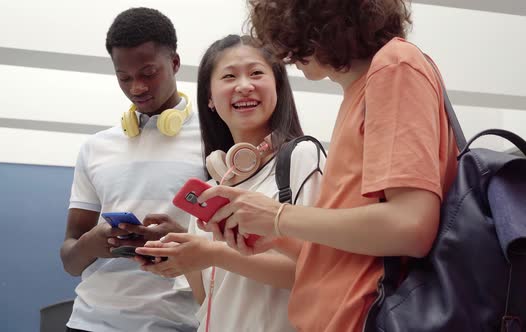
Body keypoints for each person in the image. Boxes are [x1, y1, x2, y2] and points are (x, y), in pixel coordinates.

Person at [197, 1, 460, 331]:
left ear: (309, 21)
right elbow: (356, 244)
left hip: (366, 318)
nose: (287, 57)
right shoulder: (363, 86)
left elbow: (410, 226)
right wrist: (276, 235)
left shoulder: (393, 67)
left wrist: (278, 217)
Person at [134, 34, 325, 332]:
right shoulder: (212, 186)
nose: (244, 85)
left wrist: (214, 253)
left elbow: (320, 270)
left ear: (278, 87)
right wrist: (183, 258)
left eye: (257, 73)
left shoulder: (302, 157)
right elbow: (208, 301)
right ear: (209, 98)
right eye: (229, 76)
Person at [59, 7, 205, 332]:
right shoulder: (96, 148)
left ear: (175, 63)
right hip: (89, 323)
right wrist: (91, 244)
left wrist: (181, 237)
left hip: (180, 323)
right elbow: (69, 259)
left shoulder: (215, 141)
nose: (136, 87)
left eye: (148, 73)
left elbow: (234, 250)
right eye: (124, 78)